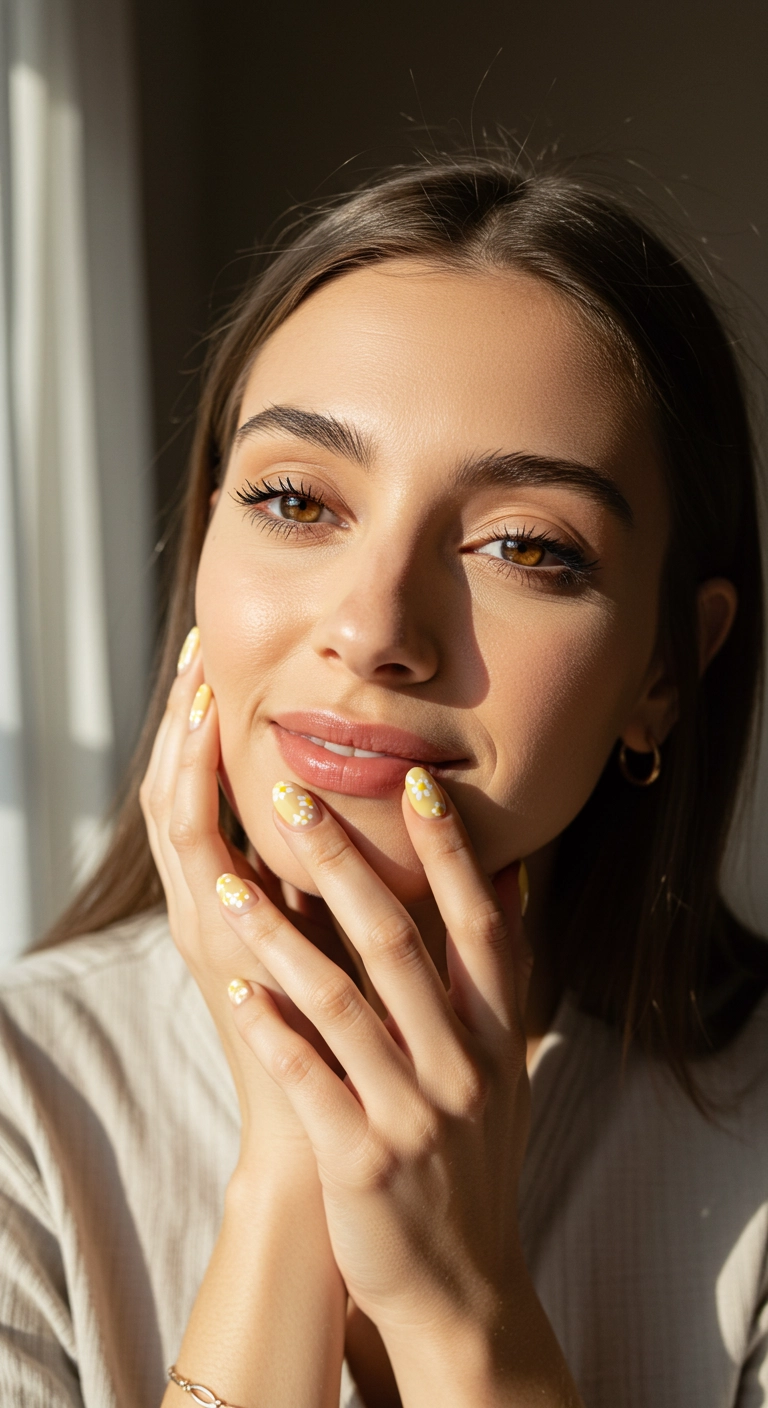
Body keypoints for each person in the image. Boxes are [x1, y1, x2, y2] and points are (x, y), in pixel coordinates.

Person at [1, 152, 767, 1408]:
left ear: (669, 672)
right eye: (296, 499)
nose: (374, 626)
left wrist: (464, 1313)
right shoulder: (23, 1096)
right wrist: (290, 1175)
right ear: (204, 543)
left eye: (525, 545)